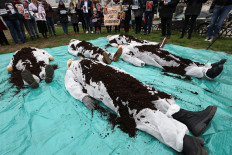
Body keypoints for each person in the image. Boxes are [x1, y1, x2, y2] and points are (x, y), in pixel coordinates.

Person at [65, 57, 217, 154]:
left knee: (151, 95)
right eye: (71, 60)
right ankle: (183, 142)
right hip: (104, 87)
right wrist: (83, 96)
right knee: (138, 109)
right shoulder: (72, 69)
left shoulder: (92, 61)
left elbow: (113, 68)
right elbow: (71, 84)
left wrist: (128, 77)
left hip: (119, 79)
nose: (73, 59)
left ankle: (188, 117)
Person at [108, 36, 227, 80]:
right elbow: (130, 58)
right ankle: (205, 74)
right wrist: (140, 63)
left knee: (180, 59)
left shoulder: (134, 44)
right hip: (153, 56)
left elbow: (147, 44)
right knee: (176, 66)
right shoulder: (124, 50)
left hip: (159, 51)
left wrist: (157, 45)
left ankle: (208, 65)